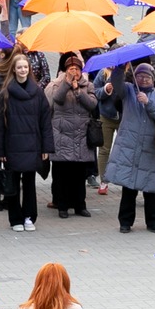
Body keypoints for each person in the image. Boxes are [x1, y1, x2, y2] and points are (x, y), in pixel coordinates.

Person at [0, 52, 51, 231]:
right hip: (12, 146)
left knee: (29, 184)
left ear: (29, 69)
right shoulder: (5, 94)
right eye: (19, 67)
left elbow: (45, 120)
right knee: (12, 185)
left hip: (32, 145)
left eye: (25, 67)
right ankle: (15, 219)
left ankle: (29, 216)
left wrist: (46, 147)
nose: (23, 70)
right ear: (13, 70)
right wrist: (0, 152)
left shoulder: (38, 92)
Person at [103, 61, 155, 233]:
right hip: (129, 146)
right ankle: (125, 222)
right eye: (140, 76)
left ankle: (153, 222)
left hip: (149, 148)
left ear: (153, 79)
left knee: (150, 188)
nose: (143, 80)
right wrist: (119, 69)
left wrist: (148, 103)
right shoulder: (129, 90)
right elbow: (116, 84)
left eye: (147, 77)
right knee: (129, 187)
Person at [46, 56, 99, 219]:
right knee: (62, 172)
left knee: (79, 173)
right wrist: (67, 83)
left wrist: (77, 90)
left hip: (81, 134)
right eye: (71, 69)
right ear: (65, 70)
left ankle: (80, 205)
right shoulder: (57, 84)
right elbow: (57, 99)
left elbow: (92, 104)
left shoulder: (88, 85)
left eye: (77, 69)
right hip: (62, 133)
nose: (74, 72)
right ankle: (62, 206)